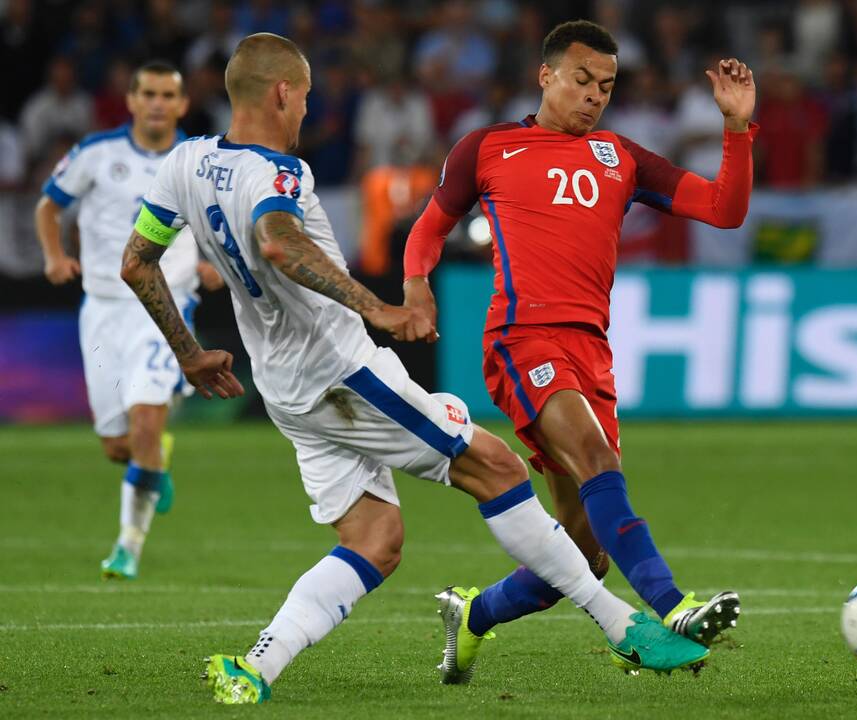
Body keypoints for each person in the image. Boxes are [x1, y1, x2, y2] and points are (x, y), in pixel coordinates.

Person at [120, 33, 709, 705]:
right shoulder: (281, 175)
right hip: (342, 372)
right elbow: (279, 242)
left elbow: (135, 262)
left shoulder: (185, 163)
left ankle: (256, 665)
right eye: (306, 97)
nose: (308, 111)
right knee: (499, 470)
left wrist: (189, 353)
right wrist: (379, 307)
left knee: (376, 540)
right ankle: (624, 624)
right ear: (283, 92)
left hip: (283, 389)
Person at [403, 20, 757, 683]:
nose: (595, 96)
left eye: (607, 86)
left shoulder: (621, 157)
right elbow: (428, 227)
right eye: (582, 80)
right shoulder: (487, 148)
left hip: (590, 351)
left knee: (583, 554)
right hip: (522, 340)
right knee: (595, 458)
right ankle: (670, 606)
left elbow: (723, 209)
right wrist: (416, 288)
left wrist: (736, 130)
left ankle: (474, 616)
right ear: (546, 75)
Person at [35, 60, 222, 581]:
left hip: (167, 305)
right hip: (102, 308)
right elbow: (49, 207)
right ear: (133, 101)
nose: (159, 103)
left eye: (169, 94)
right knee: (120, 445)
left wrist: (211, 263)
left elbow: (214, 223)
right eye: (150, 94)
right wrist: (53, 256)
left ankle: (127, 547)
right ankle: (151, 457)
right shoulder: (97, 154)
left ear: (183, 104)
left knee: (144, 419)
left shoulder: (197, 162)